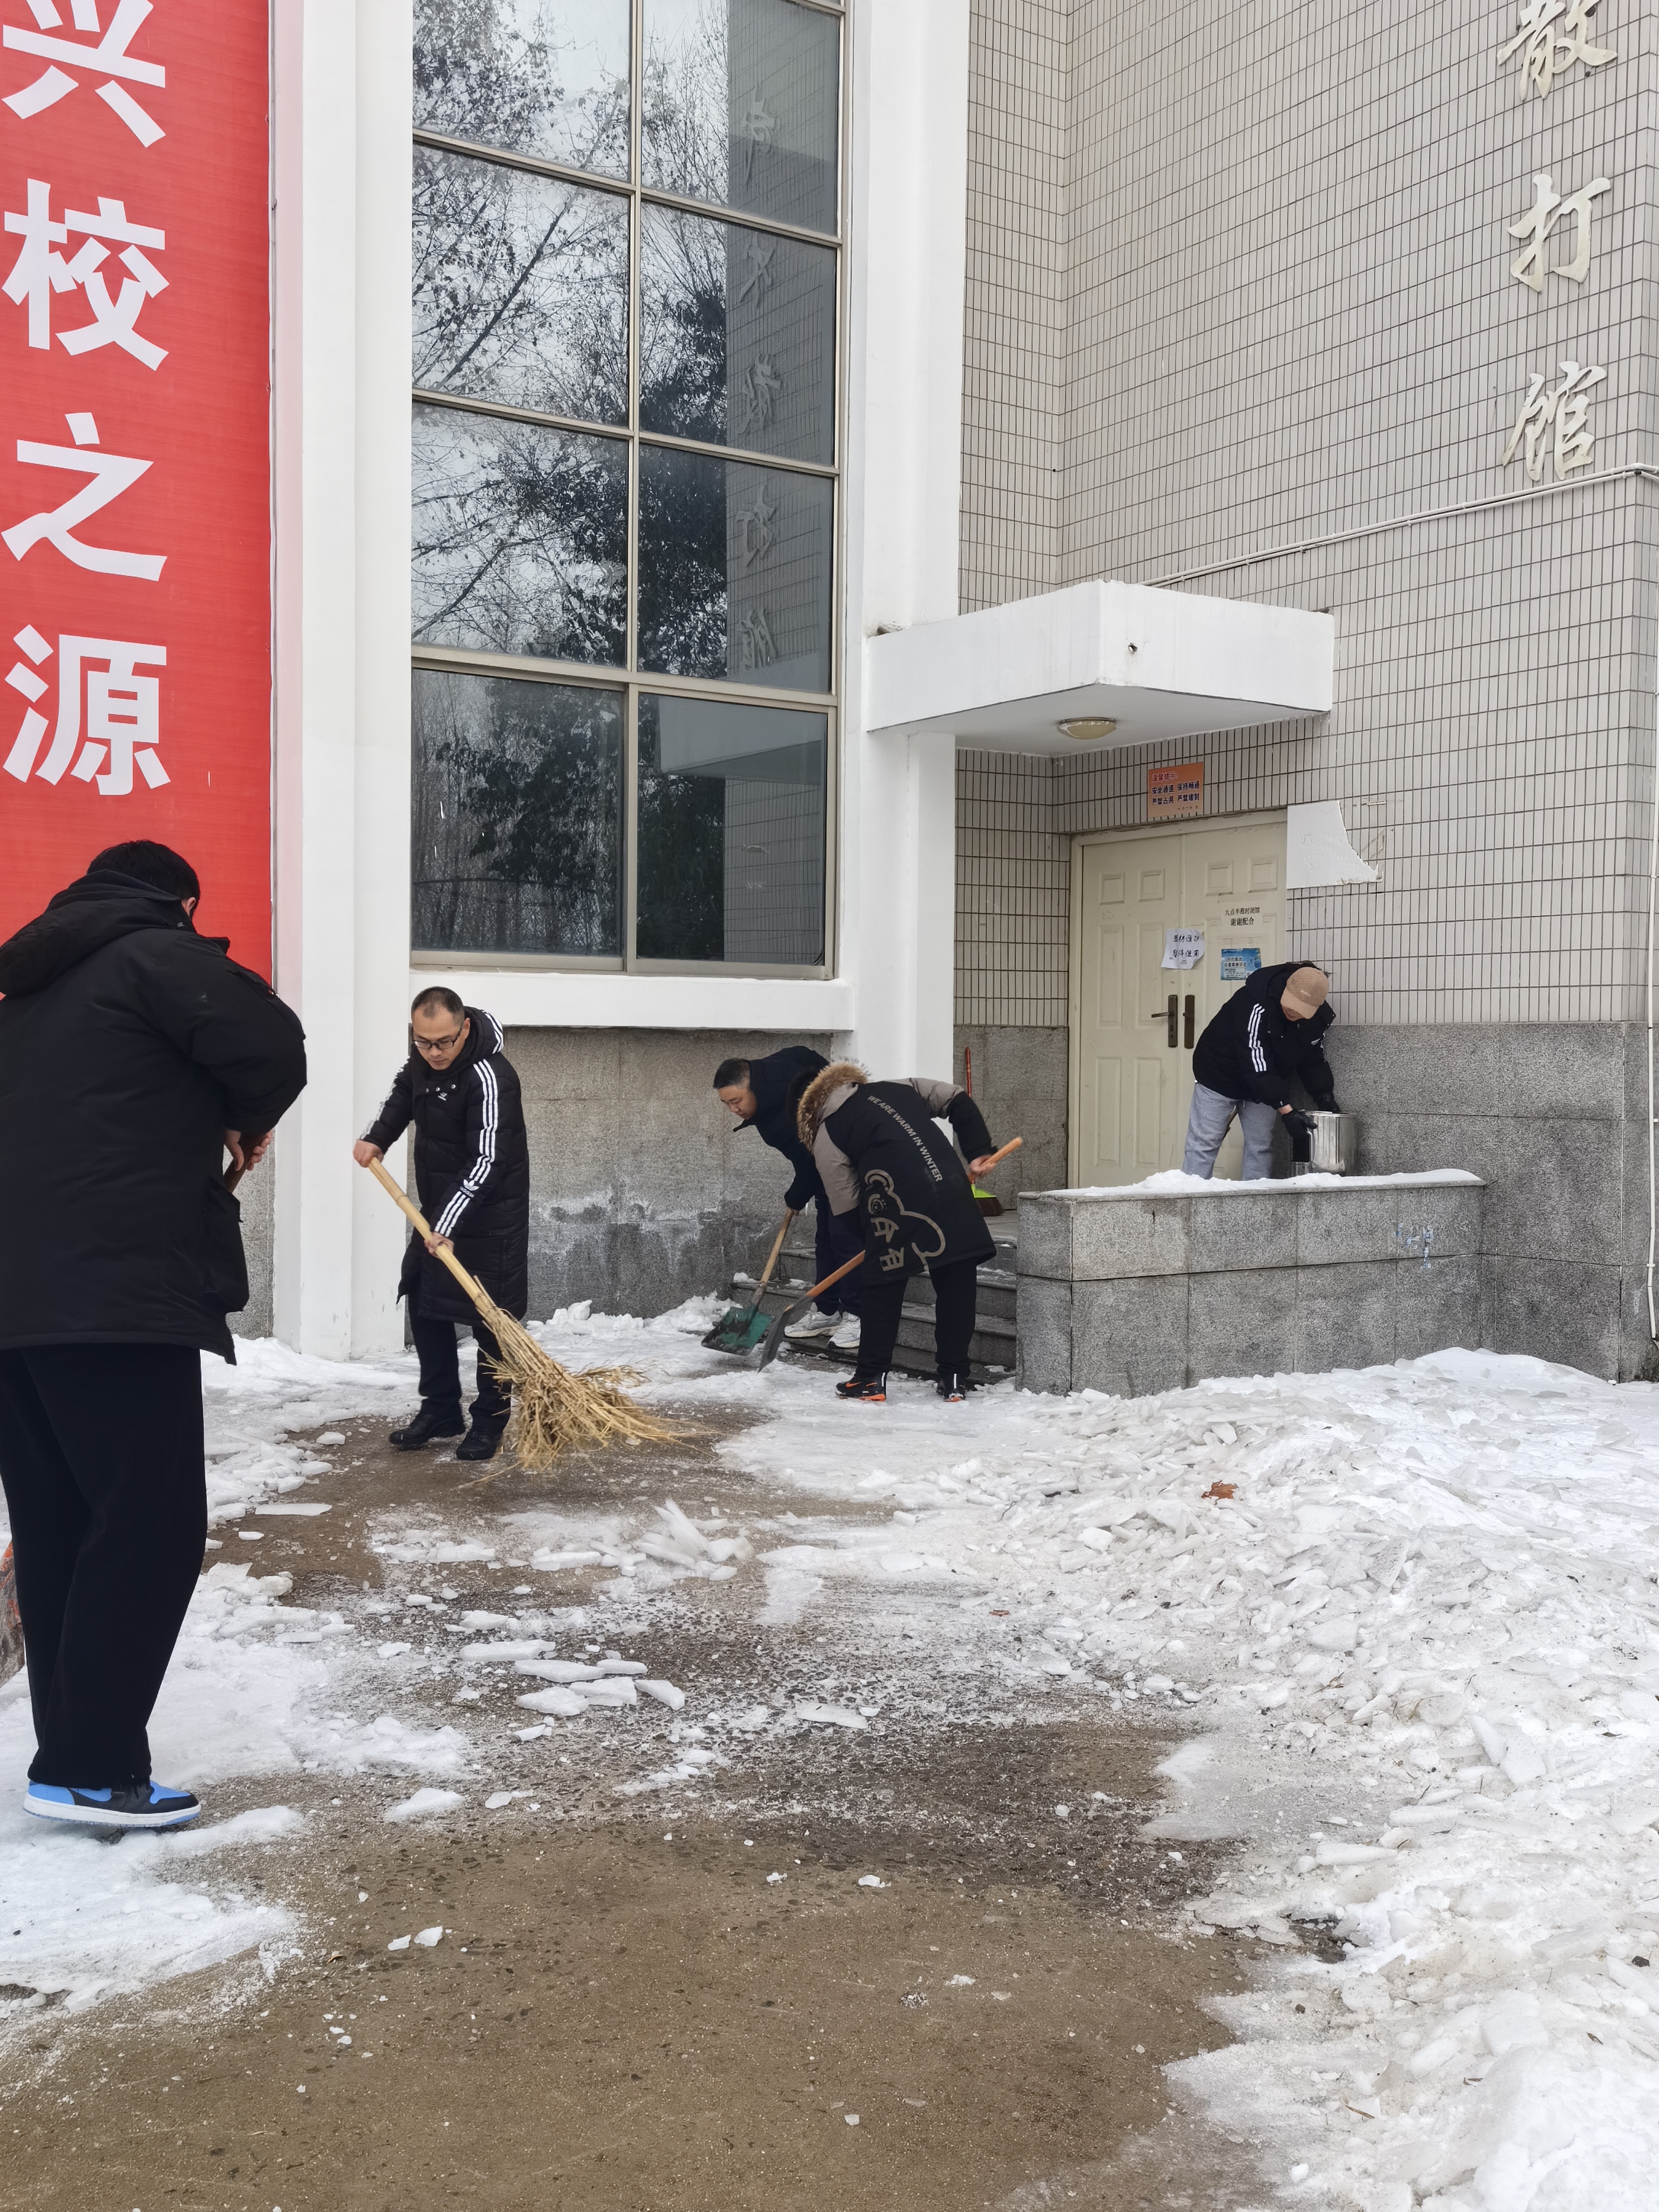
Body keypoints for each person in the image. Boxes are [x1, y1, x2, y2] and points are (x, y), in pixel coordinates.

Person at [0, 841, 307, 1832]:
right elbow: (274, 1046)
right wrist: (241, 1116)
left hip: (17, 1305)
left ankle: (73, 1757)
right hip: (114, 1292)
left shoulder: (26, 990)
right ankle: (89, 1765)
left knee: (59, 1525)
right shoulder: (155, 952)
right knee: (148, 1524)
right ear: (180, 900)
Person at [355, 990, 528, 1463]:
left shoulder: (490, 1076)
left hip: (492, 1218)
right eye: (423, 1042)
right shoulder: (423, 1061)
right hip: (441, 1210)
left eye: (443, 1043)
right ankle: (441, 1409)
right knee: (425, 1301)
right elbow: (402, 1093)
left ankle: (490, 1420)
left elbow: (488, 1160)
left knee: (491, 1319)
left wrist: (446, 1222)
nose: (433, 1053)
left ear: (465, 1028)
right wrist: (378, 1137)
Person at [796, 1063, 1000, 1404]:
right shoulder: (901, 1087)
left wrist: (869, 1242)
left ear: (809, 1112)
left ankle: (870, 1379)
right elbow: (957, 1099)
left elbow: (845, 1204)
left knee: (882, 1292)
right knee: (957, 1285)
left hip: (893, 1210)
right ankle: (954, 1378)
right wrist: (978, 1148)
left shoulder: (827, 1132)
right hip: (952, 1191)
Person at [714, 1049, 864, 1354]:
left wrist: (796, 1195)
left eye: (736, 1101)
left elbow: (810, 1164)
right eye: (726, 1103)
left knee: (845, 1238)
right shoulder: (770, 1075)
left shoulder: (782, 1118)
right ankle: (827, 1310)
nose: (733, 1110)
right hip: (827, 1159)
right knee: (826, 1239)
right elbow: (802, 1053)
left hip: (852, 1158)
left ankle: (859, 1314)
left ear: (752, 1087)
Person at [1183, 962, 1337, 1180]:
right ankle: (1191, 1196)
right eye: (1291, 1004)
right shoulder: (1255, 1003)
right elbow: (1255, 1061)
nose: (1293, 1012)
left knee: (1260, 1146)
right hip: (1218, 1074)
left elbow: (1311, 1056)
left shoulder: (1316, 1021)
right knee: (1204, 1143)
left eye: (1301, 1010)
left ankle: (1256, 1199)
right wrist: (1286, 1110)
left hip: (1265, 1084)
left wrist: (1325, 1096)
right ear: (1286, 987)